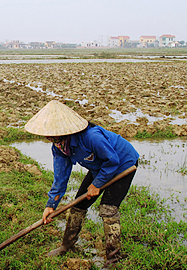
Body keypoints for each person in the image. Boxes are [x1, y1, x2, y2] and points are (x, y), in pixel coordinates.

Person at [24, 100, 139, 265]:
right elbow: (61, 177)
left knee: (108, 208)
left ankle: (114, 258)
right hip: (100, 167)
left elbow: (112, 160)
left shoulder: (91, 137)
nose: (48, 136)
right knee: (78, 206)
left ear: (65, 130)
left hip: (123, 164)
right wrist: (51, 205)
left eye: (52, 133)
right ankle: (67, 245)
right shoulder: (59, 146)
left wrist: (97, 184)